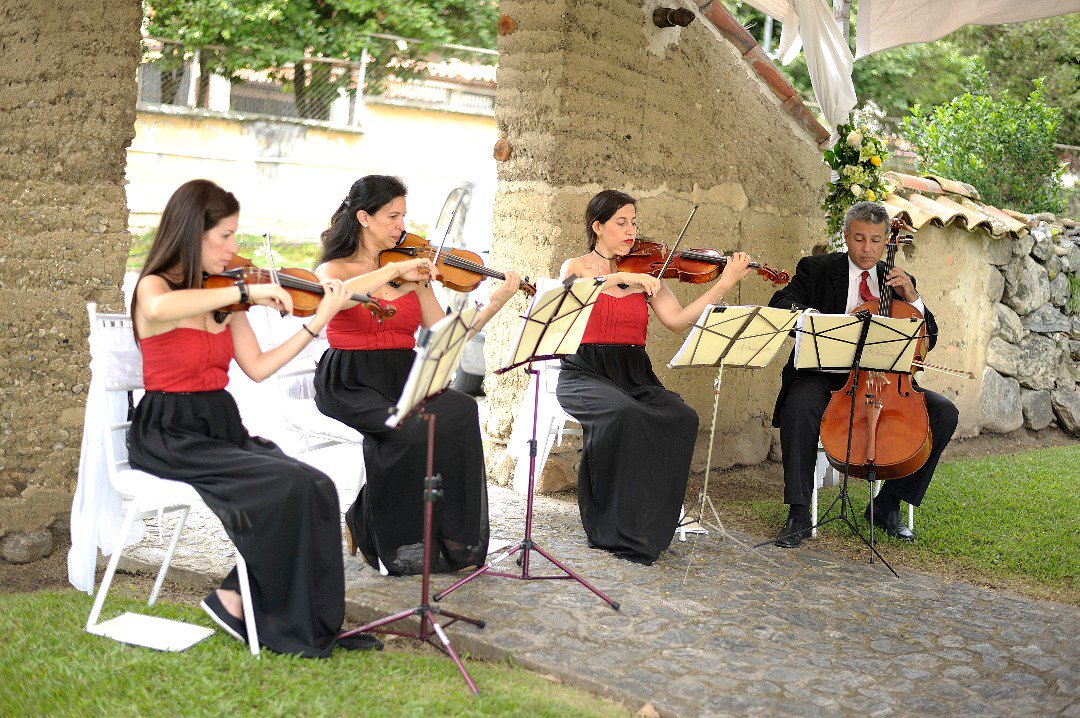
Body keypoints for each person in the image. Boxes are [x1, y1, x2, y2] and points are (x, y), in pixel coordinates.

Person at [127, 179, 375, 657]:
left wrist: (318, 320)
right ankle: (269, 618)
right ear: (189, 232)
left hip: (220, 424)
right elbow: (158, 307)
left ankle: (281, 611)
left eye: (235, 236)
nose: (233, 249)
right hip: (169, 430)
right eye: (223, 237)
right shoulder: (157, 288)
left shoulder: (227, 296)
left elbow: (259, 368)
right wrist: (244, 290)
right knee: (285, 487)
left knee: (316, 485)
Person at [313, 175, 522, 576]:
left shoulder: (411, 272)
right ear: (363, 218)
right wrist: (400, 270)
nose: (401, 227)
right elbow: (335, 291)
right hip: (351, 378)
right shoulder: (334, 268)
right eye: (392, 217)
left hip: (405, 374)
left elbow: (444, 331)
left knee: (460, 411)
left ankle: (447, 538)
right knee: (408, 430)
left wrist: (494, 303)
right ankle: (377, 529)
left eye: (403, 216)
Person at [554, 190, 753, 565]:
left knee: (681, 416)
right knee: (624, 416)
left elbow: (677, 321)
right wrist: (621, 280)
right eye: (621, 222)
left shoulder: (645, 272)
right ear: (598, 227)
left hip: (633, 372)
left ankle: (648, 522)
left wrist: (723, 284)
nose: (631, 230)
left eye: (634, 222)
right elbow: (575, 295)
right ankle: (608, 523)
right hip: (585, 370)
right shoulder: (576, 266)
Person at [768, 201, 959, 548]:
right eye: (859, 238)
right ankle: (798, 512)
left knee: (944, 412)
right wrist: (813, 318)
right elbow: (782, 302)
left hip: (885, 382)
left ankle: (886, 505)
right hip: (826, 375)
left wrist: (914, 299)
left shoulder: (900, 280)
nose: (867, 248)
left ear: (888, 239)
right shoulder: (817, 269)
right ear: (845, 236)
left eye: (875, 240)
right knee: (800, 403)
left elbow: (927, 336)